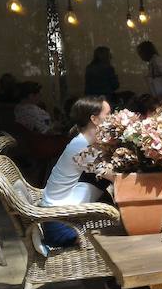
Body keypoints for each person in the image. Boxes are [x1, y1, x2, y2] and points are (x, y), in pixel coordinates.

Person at [40, 96, 112, 246]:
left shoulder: (83, 141)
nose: (112, 119)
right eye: (108, 115)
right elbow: (116, 177)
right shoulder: (82, 147)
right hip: (62, 225)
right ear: (94, 119)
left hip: (62, 217)